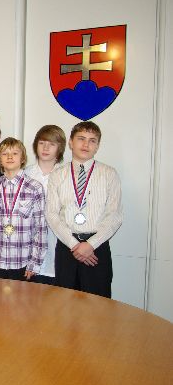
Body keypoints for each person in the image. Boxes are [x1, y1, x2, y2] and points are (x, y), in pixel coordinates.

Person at [45, 121, 122, 298]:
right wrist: (74, 245)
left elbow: (115, 215)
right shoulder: (57, 174)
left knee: (97, 304)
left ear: (98, 146)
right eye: (81, 139)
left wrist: (90, 245)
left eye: (92, 140)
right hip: (67, 246)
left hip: (97, 247)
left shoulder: (109, 174)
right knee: (65, 304)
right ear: (71, 142)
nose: (86, 144)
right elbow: (51, 214)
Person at [0, 137, 47, 281]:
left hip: (23, 261)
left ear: (23, 158)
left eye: (15, 153)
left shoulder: (34, 187)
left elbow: (41, 228)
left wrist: (35, 263)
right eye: (5, 153)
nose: (10, 157)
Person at [24, 125, 67, 285]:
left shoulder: (66, 175)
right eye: (42, 143)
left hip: (57, 241)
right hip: (28, 244)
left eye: (52, 144)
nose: (46, 148)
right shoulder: (25, 174)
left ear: (60, 148)